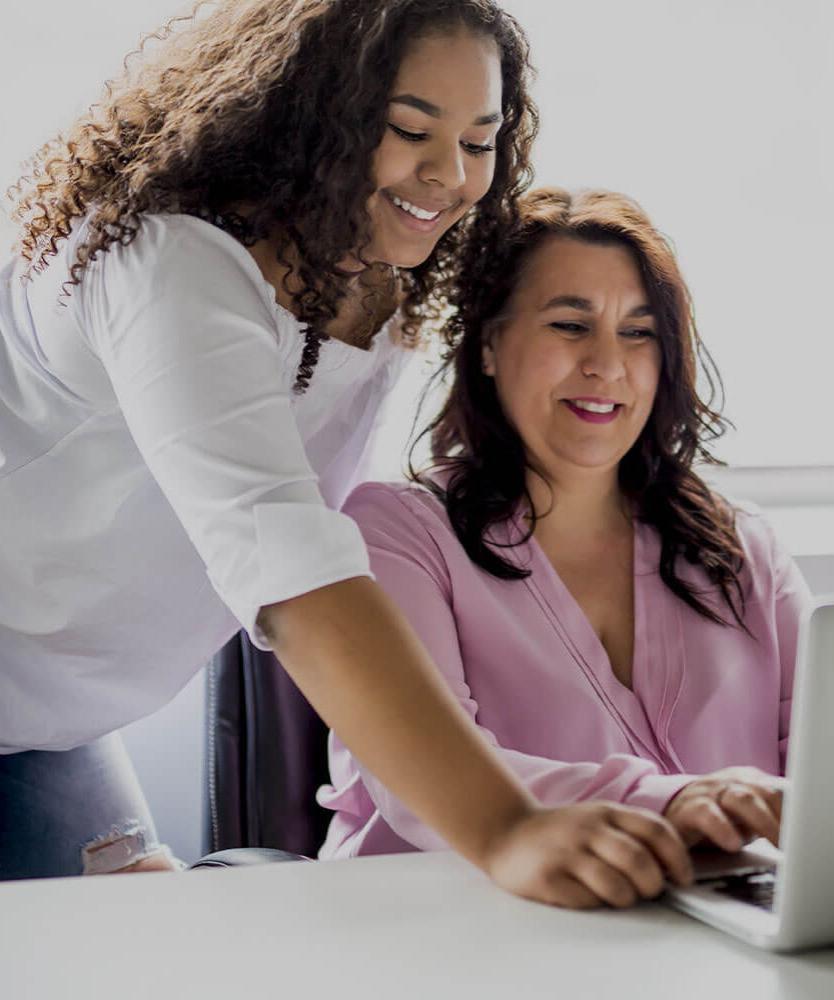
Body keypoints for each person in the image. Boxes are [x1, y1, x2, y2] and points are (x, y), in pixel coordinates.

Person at [0, 2, 695, 907]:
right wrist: (508, 826)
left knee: (131, 936)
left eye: (479, 142)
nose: (448, 176)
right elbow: (288, 564)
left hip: (55, 721)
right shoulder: (169, 265)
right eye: (410, 129)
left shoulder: (378, 284)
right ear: (307, 114)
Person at [322, 188, 812, 890]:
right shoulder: (397, 534)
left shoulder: (744, 549)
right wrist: (673, 802)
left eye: (639, 333)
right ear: (489, 344)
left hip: (706, 938)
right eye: (570, 325)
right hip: (447, 933)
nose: (608, 365)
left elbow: (832, 762)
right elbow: (421, 784)